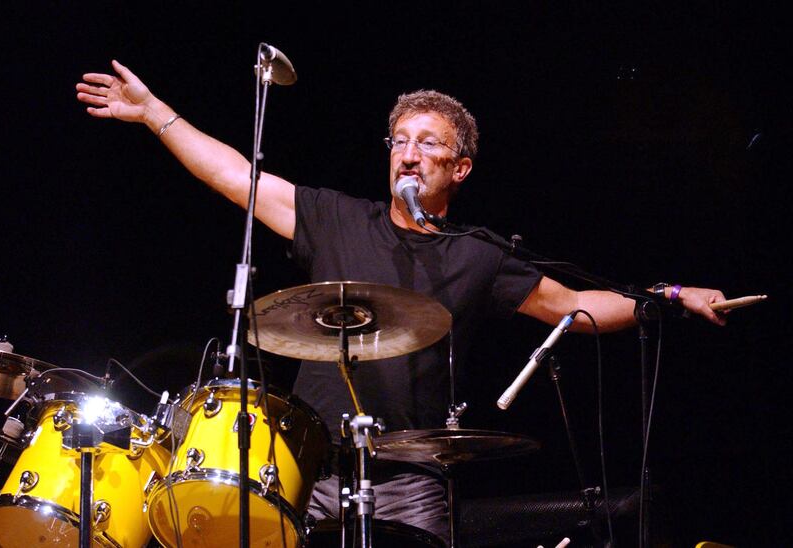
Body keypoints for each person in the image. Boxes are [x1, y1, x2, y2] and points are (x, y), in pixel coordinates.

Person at [76, 60, 727, 545]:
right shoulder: (336, 218)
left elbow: (573, 304)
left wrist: (665, 297)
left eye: (427, 144)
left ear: (461, 168)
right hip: (313, 469)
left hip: (415, 478)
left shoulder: (477, 253)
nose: (408, 156)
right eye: (400, 142)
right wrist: (155, 112)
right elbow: (233, 175)